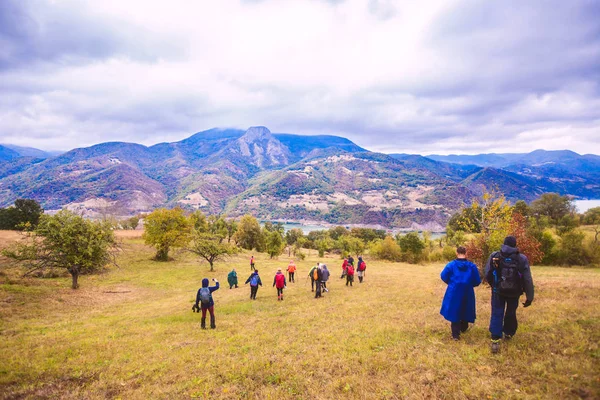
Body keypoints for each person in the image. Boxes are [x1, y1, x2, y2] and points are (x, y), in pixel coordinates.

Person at [485, 235, 535, 354]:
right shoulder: (522, 259)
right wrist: (529, 297)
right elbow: (527, 279)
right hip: (515, 292)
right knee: (511, 312)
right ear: (514, 245)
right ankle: (508, 333)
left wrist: (494, 285)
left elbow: (487, 273)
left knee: (497, 311)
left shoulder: (495, 256)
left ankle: (495, 339)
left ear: (504, 244)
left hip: (498, 291)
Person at [440, 246, 481, 340]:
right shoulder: (472, 266)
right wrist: (469, 285)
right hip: (467, 290)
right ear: (466, 253)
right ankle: (463, 328)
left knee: (454, 310)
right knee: (466, 308)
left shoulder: (451, 265)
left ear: (456, 253)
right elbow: (477, 281)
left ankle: (455, 335)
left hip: (454, 290)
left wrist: (451, 283)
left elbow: (443, 276)